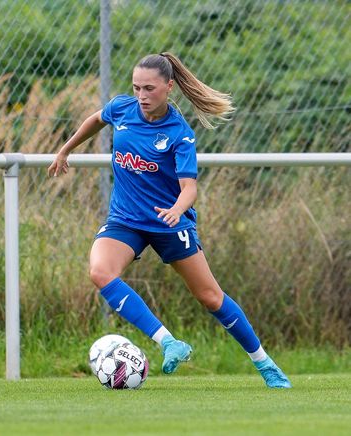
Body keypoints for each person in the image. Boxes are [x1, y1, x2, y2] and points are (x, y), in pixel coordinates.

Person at [48, 52, 291, 388]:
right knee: (100, 272)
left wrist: (177, 209)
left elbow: (189, 187)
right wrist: (66, 149)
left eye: (149, 88)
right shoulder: (122, 108)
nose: (141, 96)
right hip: (126, 220)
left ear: (169, 87)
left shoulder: (179, 133)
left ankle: (265, 364)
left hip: (169, 223)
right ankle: (168, 343)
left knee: (211, 297)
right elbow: (96, 119)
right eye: (136, 88)